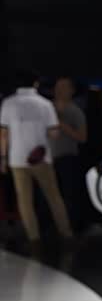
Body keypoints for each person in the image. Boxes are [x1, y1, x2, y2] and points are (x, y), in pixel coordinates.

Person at [0, 69, 73, 251]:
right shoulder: (45, 104)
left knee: (25, 201)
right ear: (36, 83)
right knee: (54, 197)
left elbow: (3, 134)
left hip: (17, 159)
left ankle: (34, 239)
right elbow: (54, 133)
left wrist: (3, 158)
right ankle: (66, 234)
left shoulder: (8, 104)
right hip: (41, 157)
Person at [51, 76, 88, 231]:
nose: (59, 90)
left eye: (63, 87)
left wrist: (62, 125)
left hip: (68, 158)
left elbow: (82, 137)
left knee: (69, 195)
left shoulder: (75, 111)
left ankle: (73, 228)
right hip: (49, 159)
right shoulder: (48, 108)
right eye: (57, 87)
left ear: (71, 90)